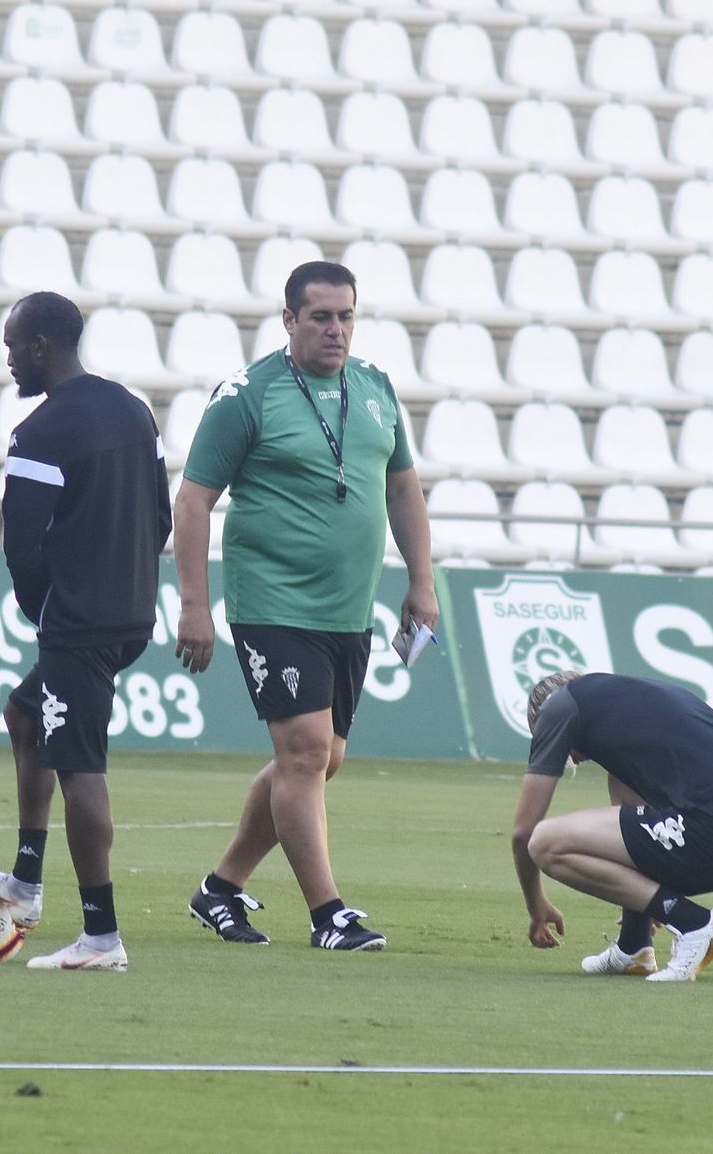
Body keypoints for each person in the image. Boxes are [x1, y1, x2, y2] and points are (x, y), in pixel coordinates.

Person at [174, 260, 437, 951]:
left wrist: (422, 582)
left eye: (346, 315)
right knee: (304, 750)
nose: (335, 329)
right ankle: (330, 914)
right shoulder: (247, 394)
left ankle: (221, 886)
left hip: (349, 610)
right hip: (272, 602)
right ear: (288, 320)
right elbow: (193, 499)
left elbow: (403, 489)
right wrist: (194, 604)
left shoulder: (375, 389)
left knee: (323, 758)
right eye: (320, 316)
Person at [0, 291, 171, 972]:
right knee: (25, 714)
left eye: (11, 344)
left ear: (40, 346)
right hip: (130, 614)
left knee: (82, 768)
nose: (6, 359)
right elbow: (161, 515)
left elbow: (21, 546)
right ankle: (26, 882)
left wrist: (44, 609)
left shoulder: (41, 431)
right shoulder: (133, 410)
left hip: (79, 623)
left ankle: (101, 935)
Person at [512, 670, 713, 982]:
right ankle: (634, 946)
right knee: (623, 793)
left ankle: (693, 924)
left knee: (546, 843)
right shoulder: (630, 701)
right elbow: (633, 834)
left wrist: (536, 905)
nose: (572, 759)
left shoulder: (557, 708)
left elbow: (524, 833)